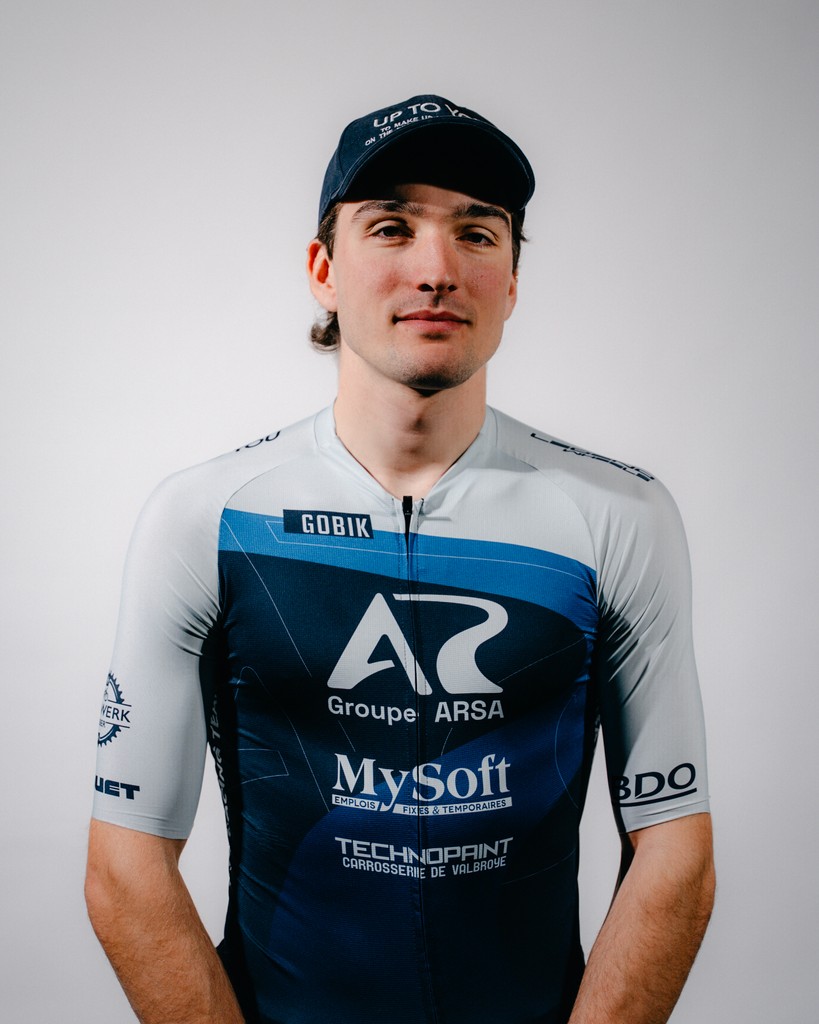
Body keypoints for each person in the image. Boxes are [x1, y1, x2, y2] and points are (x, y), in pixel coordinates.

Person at [86, 94, 715, 1024]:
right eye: (391, 227)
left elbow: (674, 850)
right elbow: (125, 863)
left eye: (477, 233)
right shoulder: (208, 517)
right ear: (323, 271)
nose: (436, 270)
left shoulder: (616, 515)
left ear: (511, 281)